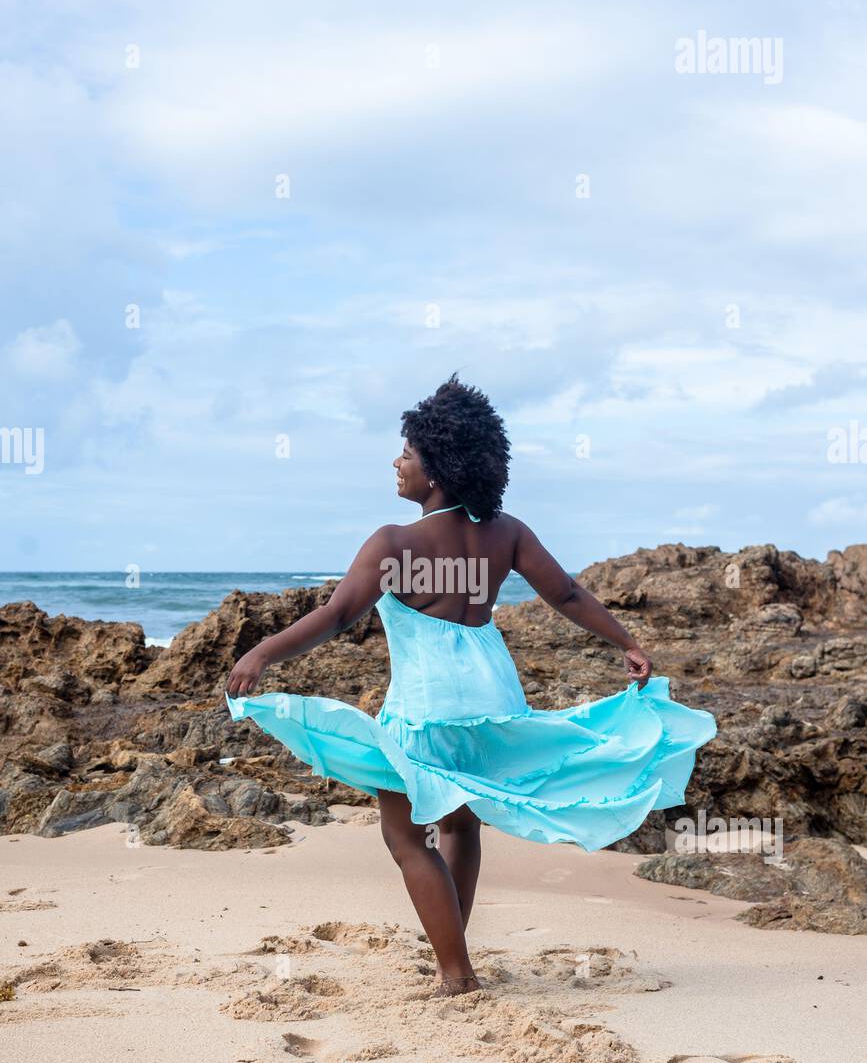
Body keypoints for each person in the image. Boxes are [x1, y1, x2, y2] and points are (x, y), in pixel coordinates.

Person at [225, 374, 717, 997]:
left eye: (407, 453)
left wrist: (262, 653)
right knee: (460, 827)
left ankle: (455, 971)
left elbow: (337, 615)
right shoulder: (505, 532)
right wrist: (627, 643)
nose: (396, 463)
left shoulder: (394, 542)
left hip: (426, 705)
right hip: (491, 699)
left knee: (405, 836)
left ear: (435, 471)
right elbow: (565, 593)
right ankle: (453, 955)